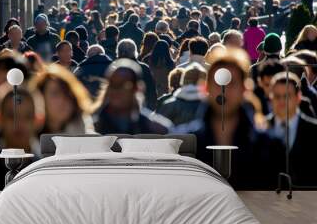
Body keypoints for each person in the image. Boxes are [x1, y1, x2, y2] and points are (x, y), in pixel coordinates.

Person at [173, 48, 284, 190]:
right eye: (218, 83)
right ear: (205, 88)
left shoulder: (270, 146)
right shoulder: (182, 145)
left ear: (245, 89)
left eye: (231, 84)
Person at [93, 59, 172, 134]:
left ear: (137, 88)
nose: (117, 91)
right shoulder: (92, 127)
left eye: (125, 85)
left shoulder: (156, 129)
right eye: (113, 84)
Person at [267, 72, 317, 186]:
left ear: (298, 97)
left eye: (286, 96)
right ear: (270, 98)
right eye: (277, 96)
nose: (281, 101)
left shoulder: (314, 131)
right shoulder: (259, 129)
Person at [33, 64, 94, 134]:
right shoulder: (27, 138)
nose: (63, 100)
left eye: (66, 93)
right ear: (40, 97)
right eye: (55, 93)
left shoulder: (91, 140)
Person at [116, 39, 158, 110]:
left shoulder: (114, 69)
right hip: (142, 109)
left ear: (118, 52)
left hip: (119, 111)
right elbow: (151, 91)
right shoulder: (144, 68)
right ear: (134, 52)